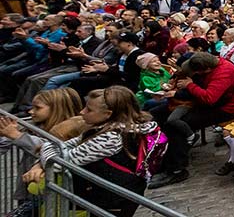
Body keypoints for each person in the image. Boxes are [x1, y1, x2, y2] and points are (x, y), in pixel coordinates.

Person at [36, 86, 159, 217]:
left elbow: (58, 164)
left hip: (112, 199)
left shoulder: (109, 138)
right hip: (116, 194)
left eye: (89, 110)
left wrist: (46, 148)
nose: (82, 112)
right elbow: (66, 145)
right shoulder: (108, 129)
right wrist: (46, 156)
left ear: (108, 114)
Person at [149, 52, 234, 188]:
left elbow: (210, 98)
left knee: (176, 125)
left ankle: (177, 169)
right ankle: (163, 158)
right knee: (155, 114)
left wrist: (189, 85)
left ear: (207, 70)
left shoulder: (224, 72)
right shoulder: (208, 62)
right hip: (200, 101)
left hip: (224, 109)